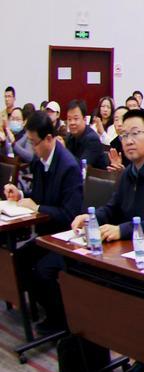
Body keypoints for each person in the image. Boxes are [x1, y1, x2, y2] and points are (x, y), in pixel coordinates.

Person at [14, 111, 84, 333]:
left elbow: (69, 214)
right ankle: (44, 307)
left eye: (34, 143)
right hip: (46, 234)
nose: (32, 148)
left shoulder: (69, 167)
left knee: (43, 270)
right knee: (19, 259)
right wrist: (19, 195)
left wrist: (37, 208)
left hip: (65, 237)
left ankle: (60, 319)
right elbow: (37, 197)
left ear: (49, 139)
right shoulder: (39, 161)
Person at [72, 108, 144, 246]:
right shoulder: (128, 172)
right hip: (126, 248)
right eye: (124, 135)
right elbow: (112, 208)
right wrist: (92, 218)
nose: (129, 141)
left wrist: (121, 230)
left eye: (135, 133)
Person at [61, 99, 109, 170]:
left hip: (96, 176)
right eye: (69, 119)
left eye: (76, 118)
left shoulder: (92, 140)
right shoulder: (69, 137)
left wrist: (63, 151)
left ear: (85, 119)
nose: (72, 123)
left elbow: (82, 167)